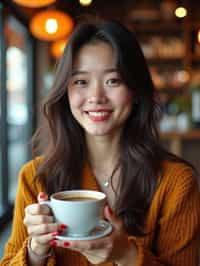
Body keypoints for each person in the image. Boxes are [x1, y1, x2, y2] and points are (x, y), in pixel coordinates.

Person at [1, 19, 200, 266]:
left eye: (113, 81)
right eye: (81, 81)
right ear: (65, 92)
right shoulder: (35, 178)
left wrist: (125, 255)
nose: (96, 97)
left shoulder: (175, 183)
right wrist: (36, 250)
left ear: (135, 90)